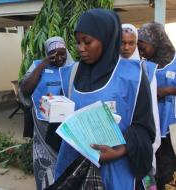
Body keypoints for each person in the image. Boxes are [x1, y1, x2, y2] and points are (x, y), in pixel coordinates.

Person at [54, 9, 156, 190]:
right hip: (73, 168)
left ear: (107, 39)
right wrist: (52, 107)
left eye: (87, 42)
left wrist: (121, 150)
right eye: (78, 42)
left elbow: (144, 127)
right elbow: (63, 118)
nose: (80, 48)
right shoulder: (72, 74)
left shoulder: (133, 77)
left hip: (115, 170)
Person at [20, 36, 74, 190]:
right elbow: (25, 89)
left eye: (63, 53)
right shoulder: (37, 66)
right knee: (45, 171)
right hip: (42, 129)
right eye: (54, 54)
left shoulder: (74, 67)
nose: (60, 58)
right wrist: (43, 65)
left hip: (65, 129)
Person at [138, 22, 176, 190]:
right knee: (150, 171)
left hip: (170, 129)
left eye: (143, 47)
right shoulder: (144, 64)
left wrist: (167, 90)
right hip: (151, 128)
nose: (140, 52)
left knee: (168, 172)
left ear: (156, 43)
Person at [121, 23, 161, 172]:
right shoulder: (110, 68)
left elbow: (152, 109)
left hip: (141, 131)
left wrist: (151, 144)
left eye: (131, 43)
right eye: (122, 43)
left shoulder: (147, 70)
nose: (126, 48)